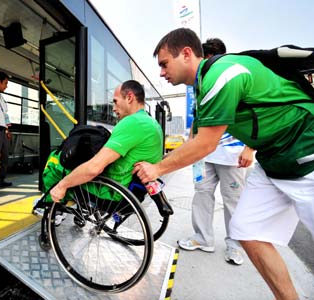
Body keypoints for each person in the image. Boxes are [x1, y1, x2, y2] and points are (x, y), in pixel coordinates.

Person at [134, 28, 314, 300]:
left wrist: (157, 168)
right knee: (246, 229)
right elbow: (198, 138)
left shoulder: (221, 75)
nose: (161, 73)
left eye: (163, 64)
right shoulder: (203, 84)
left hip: (305, 152)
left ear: (185, 54)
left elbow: (205, 144)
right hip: (274, 159)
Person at [177, 38, 255, 266]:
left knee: (234, 201)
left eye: (209, 58)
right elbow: (197, 119)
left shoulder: (233, 78)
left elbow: (253, 117)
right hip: (204, 155)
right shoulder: (200, 85)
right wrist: (190, 145)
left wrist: (250, 148)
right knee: (201, 194)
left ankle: (235, 245)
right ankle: (203, 238)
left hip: (232, 156)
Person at [50, 80, 163, 203]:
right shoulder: (153, 123)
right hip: (134, 192)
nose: (113, 109)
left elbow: (94, 168)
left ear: (130, 97)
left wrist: (63, 185)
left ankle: (51, 206)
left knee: (55, 162)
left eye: (115, 101)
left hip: (111, 193)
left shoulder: (132, 122)